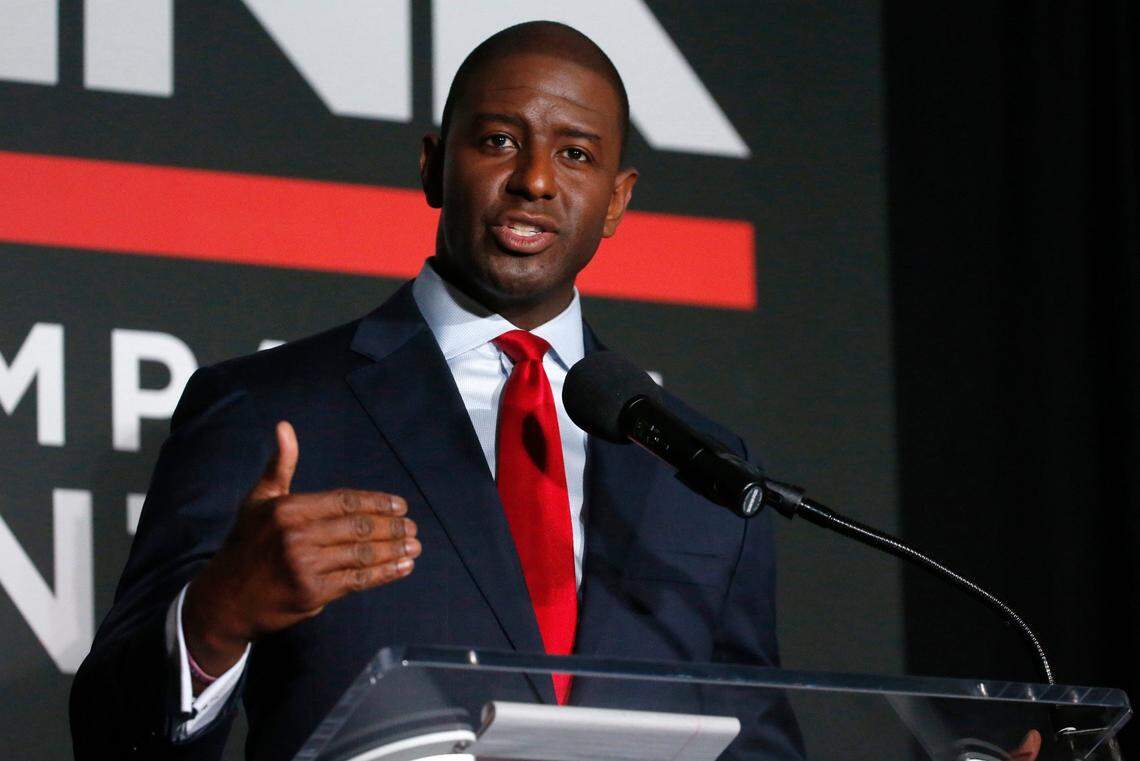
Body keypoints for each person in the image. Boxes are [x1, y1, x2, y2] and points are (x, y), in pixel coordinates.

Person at [70, 21, 804, 760]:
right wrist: (217, 617)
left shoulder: (702, 471)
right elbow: (111, 738)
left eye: (574, 153)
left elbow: (759, 745)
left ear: (617, 201)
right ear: (432, 165)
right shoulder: (266, 410)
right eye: (499, 141)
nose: (537, 180)